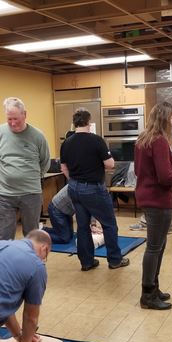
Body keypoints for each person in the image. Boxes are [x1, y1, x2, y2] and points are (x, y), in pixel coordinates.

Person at [61, 108, 129, 271]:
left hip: (74, 188)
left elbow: (64, 167)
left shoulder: (66, 142)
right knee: (109, 224)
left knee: (82, 226)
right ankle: (115, 260)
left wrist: (74, 181)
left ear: (74, 123)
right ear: (88, 122)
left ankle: (87, 262)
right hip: (93, 188)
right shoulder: (96, 140)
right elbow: (110, 164)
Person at [134, 102, 172, 310]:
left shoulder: (143, 139)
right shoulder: (160, 141)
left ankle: (154, 288)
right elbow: (164, 178)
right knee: (154, 247)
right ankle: (147, 295)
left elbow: (140, 171)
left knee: (158, 245)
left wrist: (169, 168)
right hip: (158, 200)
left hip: (146, 196)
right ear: (165, 119)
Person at [0, 97, 50, 241]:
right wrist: (7, 176)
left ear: (25, 114)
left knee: (32, 237)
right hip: (5, 194)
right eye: (9, 119)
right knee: (3, 237)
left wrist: (30, 177)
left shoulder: (37, 136)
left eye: (16, 118)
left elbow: (45, 162)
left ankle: (30, 257)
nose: (13, 123)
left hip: (31, 193)